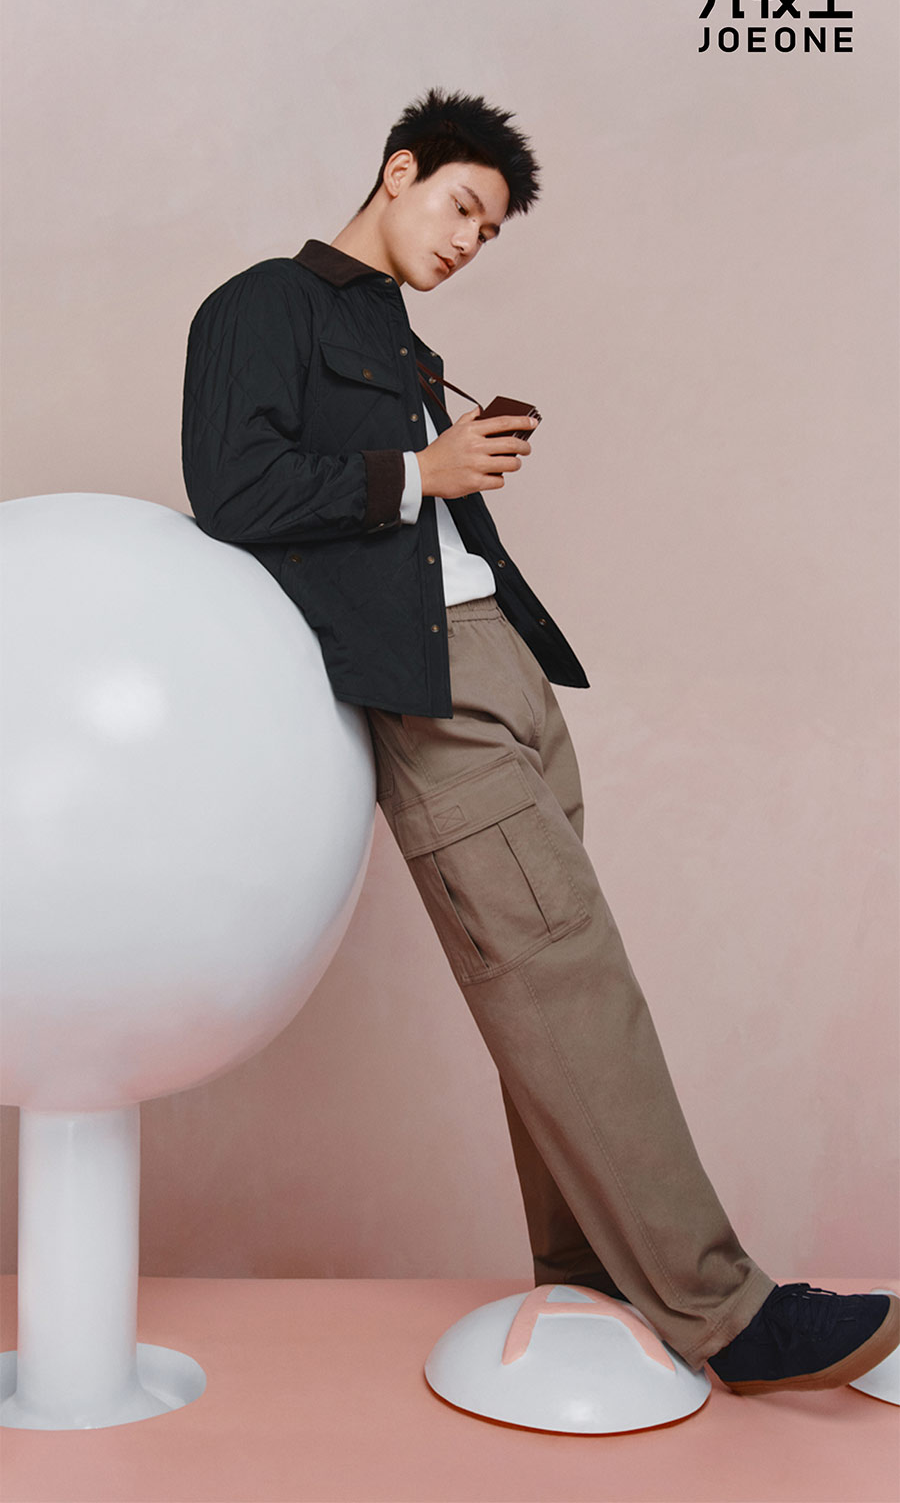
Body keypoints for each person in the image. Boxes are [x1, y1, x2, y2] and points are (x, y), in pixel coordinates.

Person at [181, 87, 898, 1395]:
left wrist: (451, 472)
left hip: (503, 665)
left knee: (553, 1001)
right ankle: (724, 1311)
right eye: (462, 207)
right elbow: (230, 489)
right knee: (573, 987)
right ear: (398, 171)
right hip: (431, 690)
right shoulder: (260, 307)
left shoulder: (393, 335)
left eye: (490, 231)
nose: (468, 241)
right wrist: (421, 474)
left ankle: (596, 1271)